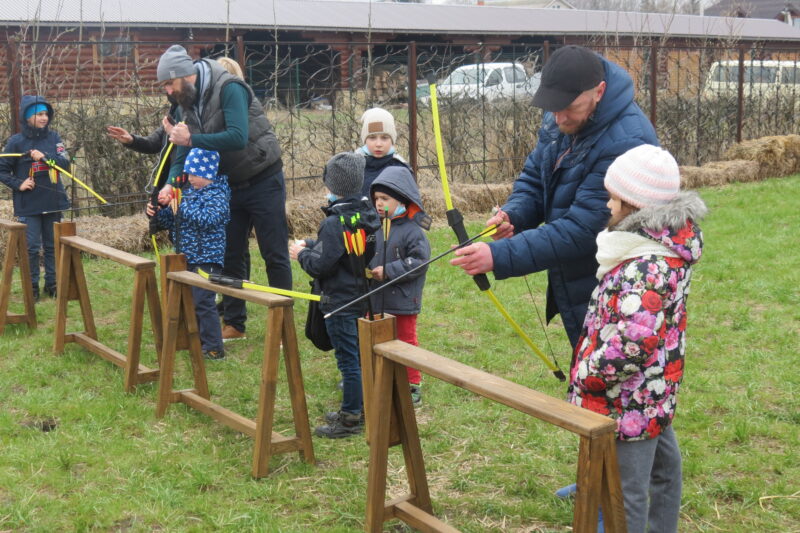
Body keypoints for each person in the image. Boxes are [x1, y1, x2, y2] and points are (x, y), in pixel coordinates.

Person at [451, 45, 659, 349]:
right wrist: (514, 215)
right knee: (588, 373)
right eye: (552, 106)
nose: (558, 117)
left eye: (568, 107)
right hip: (578, 274)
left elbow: (583, 228)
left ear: (599, 91)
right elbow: (536, 178)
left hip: (617, 282)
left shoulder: (627, 139)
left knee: (609, 375)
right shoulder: (560, 118)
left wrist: (499, 256)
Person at [568, 145, 706, 533]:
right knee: (664, 469)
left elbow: (633, 342)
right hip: (653, 394)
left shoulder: (646, 266)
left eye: (614, 197)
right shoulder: (661, 251)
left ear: (634, 206)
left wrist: (589, 375)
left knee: (624, 492)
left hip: (628, 398)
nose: (607, 205)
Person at [154, 44, 291, 342]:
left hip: (263, 176)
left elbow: (238, 136)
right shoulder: (183, 102)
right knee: (230, 254)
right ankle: (235, 322)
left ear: (185, 75)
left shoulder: (229, 87)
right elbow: (181, 150)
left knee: (274, 254)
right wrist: (171, 183)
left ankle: (282, 328)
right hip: (228, 183)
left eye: (168, 83)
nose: (167, 91)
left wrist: (192, 137)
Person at [289, 152, 381, 439]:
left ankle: (351, 417)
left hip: (340, 302)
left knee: (348, 359)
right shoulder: (365, 212)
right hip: (361, 295)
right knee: (358, 355)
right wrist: (316, 242)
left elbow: (322, 265)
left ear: (331, 185)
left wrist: (302, 253)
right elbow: (344, 249)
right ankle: (360, 406)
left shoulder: (334, 222)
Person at [149, 147, 231, 360]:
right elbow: (171, 220)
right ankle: (191, 339)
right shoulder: (188, 192)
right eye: (188, 174)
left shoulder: (218, 194)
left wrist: (181, 205)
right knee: (186, 300)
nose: (189, 178)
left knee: (203, 301)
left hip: (207, 257)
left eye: (194, 174)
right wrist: (157, 213)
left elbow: (208, 220)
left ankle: (213, 347)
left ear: (207, 174)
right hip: (186, 256)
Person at [368, 166, 431, 406]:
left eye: (385, 199)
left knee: (405, 341)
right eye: (376, 199)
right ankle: (380, 377)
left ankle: (412, 384)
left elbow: (419, 262)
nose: (379, 204)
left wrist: (389, 270)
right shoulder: (375, 226)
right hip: (377, 296)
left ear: (402, 199)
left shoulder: (413, 231)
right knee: (376, 337)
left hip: (404, 299)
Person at [0, 95, 71, 301]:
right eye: (39, 114)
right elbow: (3, 170)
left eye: (46, 114)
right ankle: (32, 290)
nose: (44, 118)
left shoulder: (54, 138)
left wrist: (45, 158)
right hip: (28, 204)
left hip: (53, 202)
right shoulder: (16, 142)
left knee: (52, 245)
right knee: (31, 247)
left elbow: (64, 164)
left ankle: (53, 285)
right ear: (28, 117)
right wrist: (18, 184)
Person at [357, 107, 411, 198]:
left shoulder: (401, 169)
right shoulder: (354, 167)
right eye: (372, 137)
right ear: (365, 140)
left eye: (385, 138)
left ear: (392, 140)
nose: (378, 144)